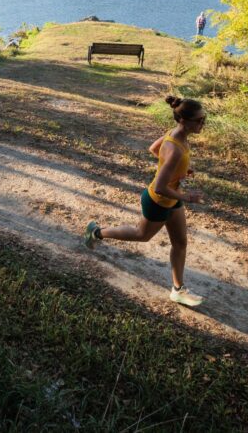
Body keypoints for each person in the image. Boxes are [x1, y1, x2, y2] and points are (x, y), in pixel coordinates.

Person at [84, 96, 207, 307]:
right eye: (199, 120)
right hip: (159, 200)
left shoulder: (176, 135)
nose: (202, 124)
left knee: (180, 243)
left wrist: (179, 172)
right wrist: (187, 196)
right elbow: (160, 186)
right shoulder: (176, 147)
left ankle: (178, 290)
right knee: (140, 235)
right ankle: (96, 232)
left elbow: (154, 149)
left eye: (204, 119)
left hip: (171, 199)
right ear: (184, 121)